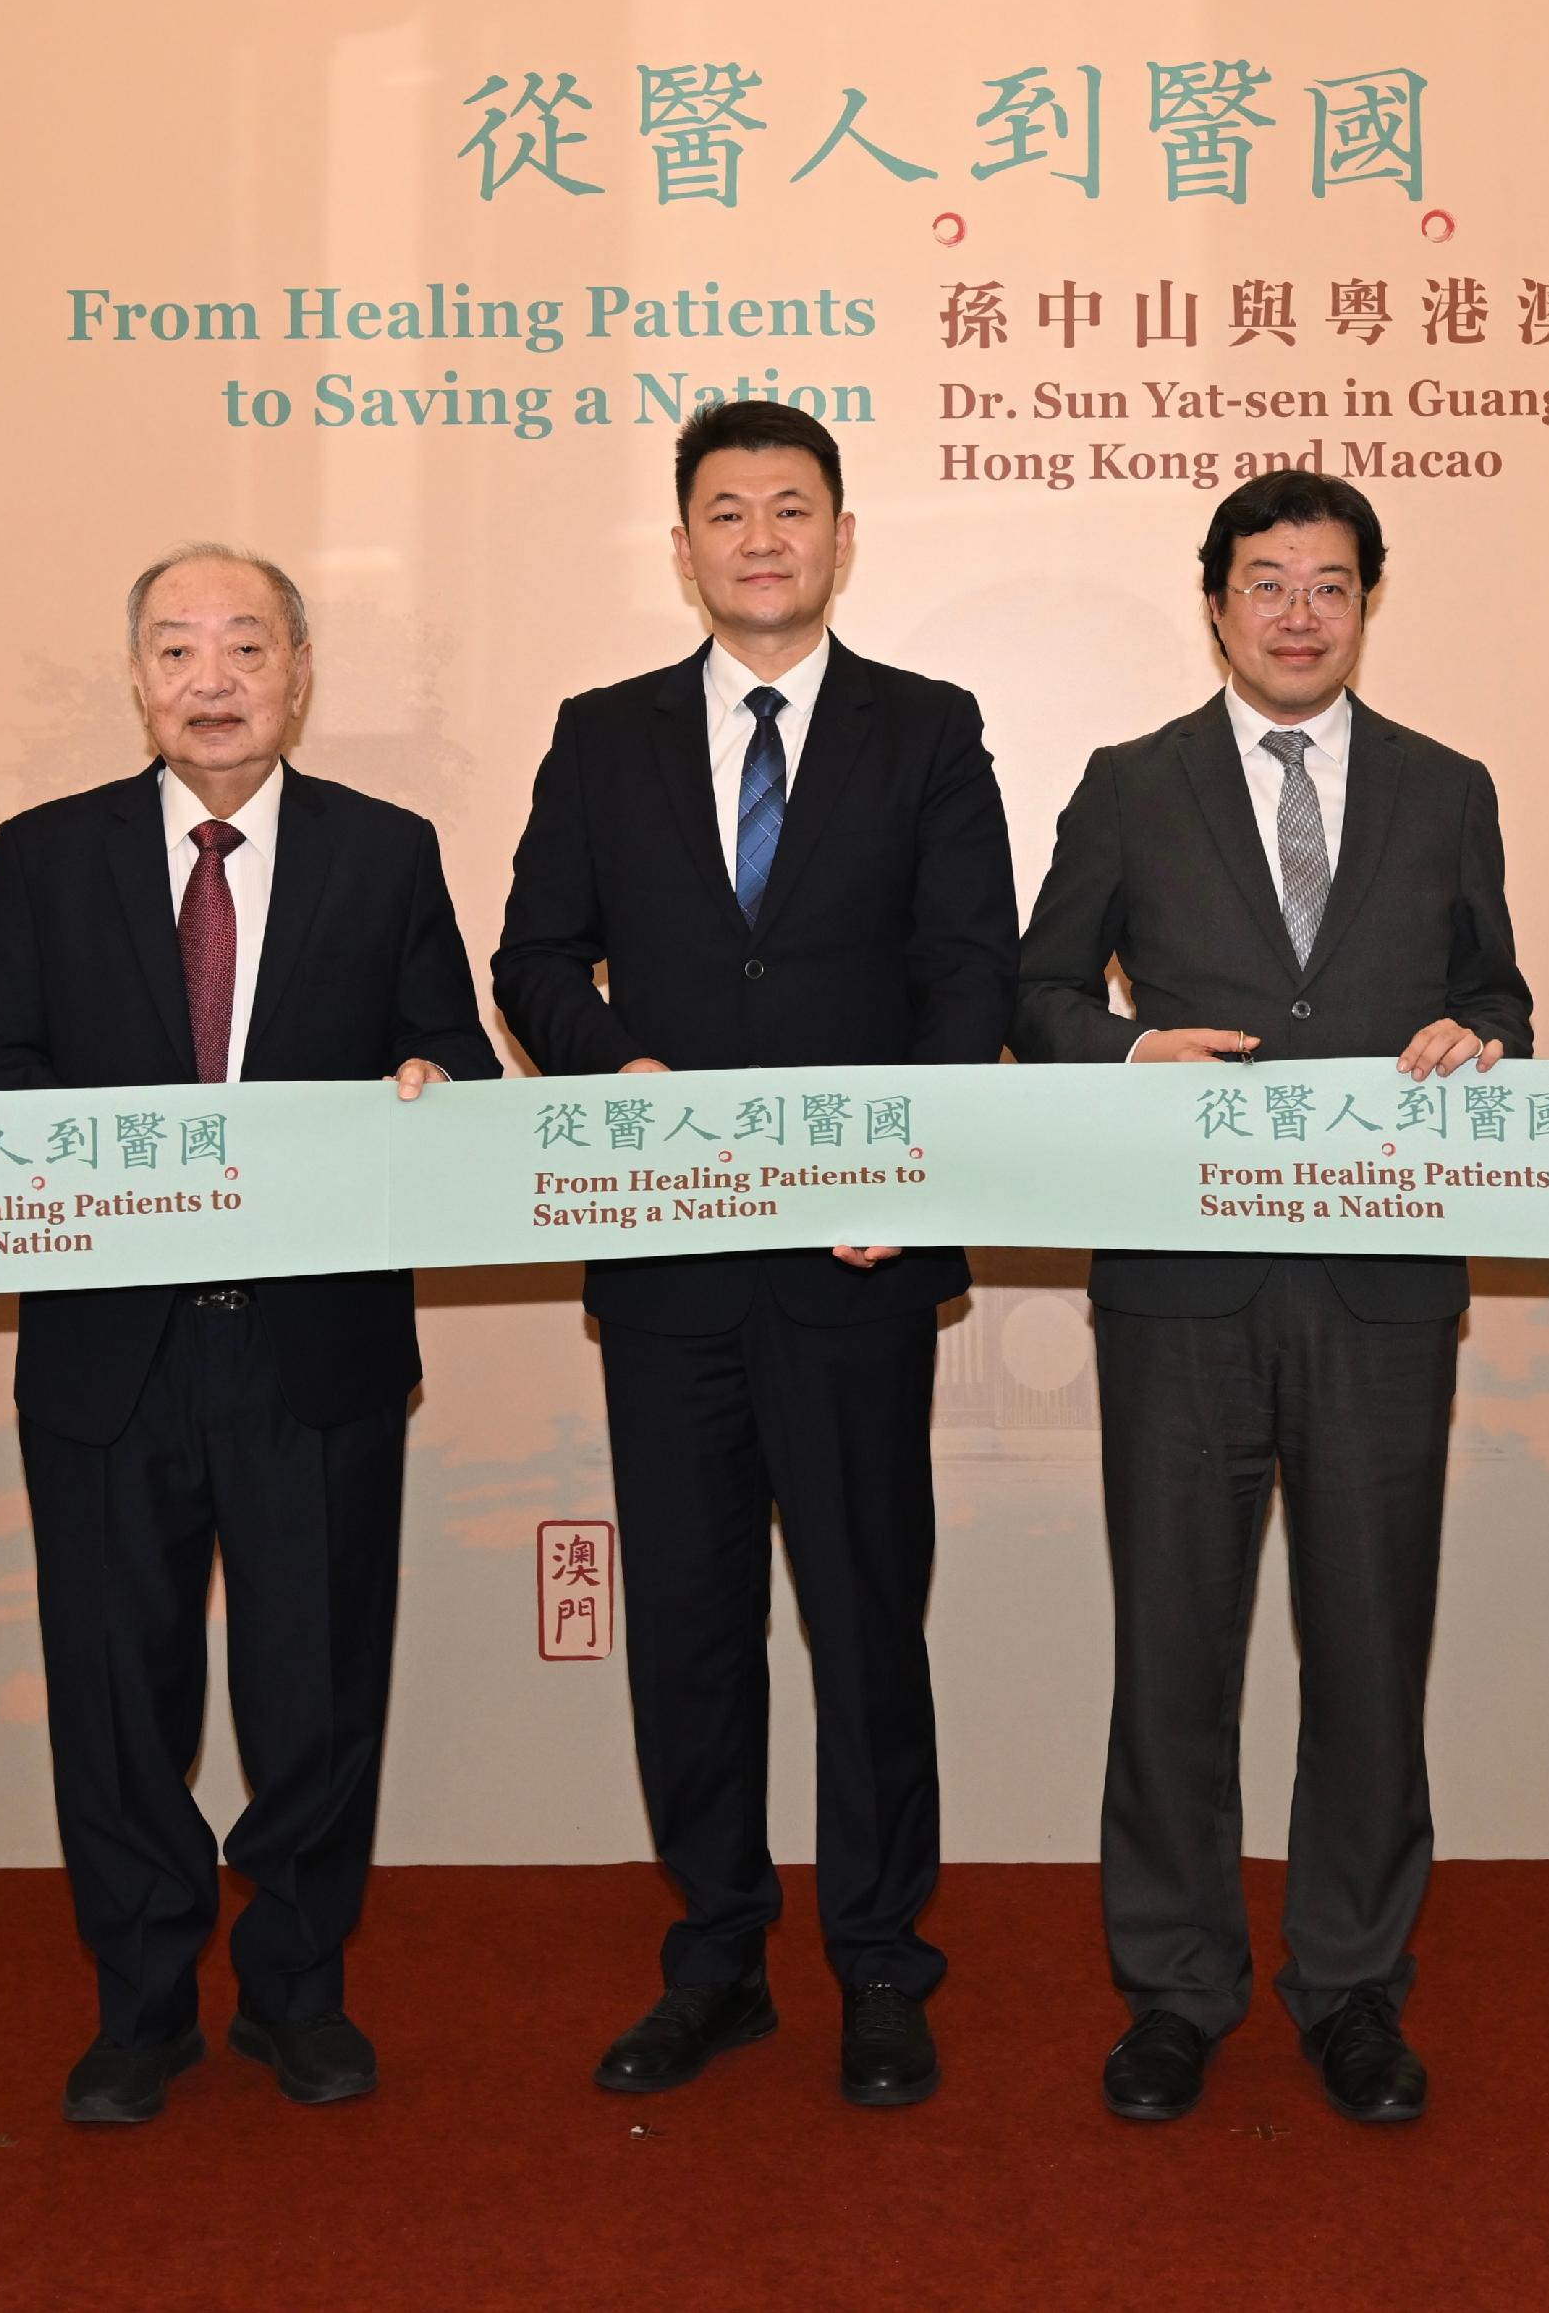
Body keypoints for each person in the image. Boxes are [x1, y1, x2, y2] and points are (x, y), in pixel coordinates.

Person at [491, 400, 1017, 2109]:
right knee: (693, 1624)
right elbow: (532, 956)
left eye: (794, 507)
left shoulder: (929, 731)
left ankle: (878, 1959)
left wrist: (914, 1175)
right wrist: (608, 1067)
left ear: (842, 535)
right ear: (684, 546)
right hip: (669, 1264)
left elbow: (967, 978)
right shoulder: (603, 734)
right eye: (727, 510)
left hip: (855, 1260)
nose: (762, 536)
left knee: (869, 1616)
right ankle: (716, 1953)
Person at [0, 544, 499, 2126]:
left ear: (298, 674)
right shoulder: (43, 857)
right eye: (177, 649)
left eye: (245, 647)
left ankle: (297, 1994)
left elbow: (447, 1047)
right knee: (117, 1696)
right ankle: (140, 2005)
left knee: (317, 1694)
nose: (212, 679)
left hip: (310, 1348)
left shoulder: (383, 854)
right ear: (137, 680)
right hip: (110, 1353)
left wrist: (433, 1089)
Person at [1012, 468, 1531, 2129]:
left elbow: (1496, 991)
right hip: (1182, 1283)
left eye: (1329, 583)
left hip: (1381, 1283)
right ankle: (1174, 1987)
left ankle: (1353, 1984)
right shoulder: (1129, 782)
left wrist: (1483, 1036)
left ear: (1368, 601)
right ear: (1216, 600)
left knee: (1373, 1646)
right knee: (1174, 1642)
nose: (1297, 610)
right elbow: (1030, 993)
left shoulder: (1448, 789)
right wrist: (1124, 1045)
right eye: (1266, 582)